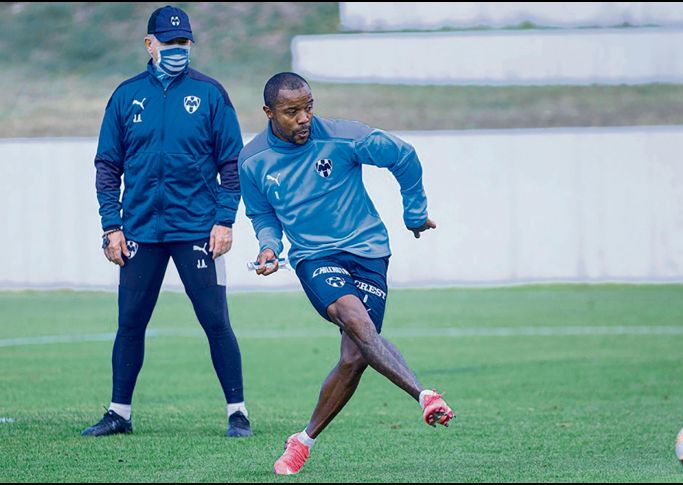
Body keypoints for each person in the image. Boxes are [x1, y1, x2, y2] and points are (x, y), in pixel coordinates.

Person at [239, 72, 455, 475]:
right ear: (269, 113)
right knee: (352, 318)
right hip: (314, 257)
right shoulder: (252, 161)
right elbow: (261, 213)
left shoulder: (343, 137)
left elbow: (402, 155)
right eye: (291, 112)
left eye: (308, 107)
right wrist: (270, 246)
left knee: (355, 357)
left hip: (369, 252)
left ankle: (302, 441)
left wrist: (414, 211)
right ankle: (424, 396)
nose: (304, 118)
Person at [83, 5, 252, 438]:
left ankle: (238, 412)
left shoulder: (211, 94)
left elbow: (231, 163)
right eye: (170, 42)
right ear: (149, 44)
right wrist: (111, 225)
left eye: (184, 43)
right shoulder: (125, 96)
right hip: (139, 230)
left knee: (217, 322)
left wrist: (224, 220)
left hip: (198, 229)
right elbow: (107, 165)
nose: (178, 50)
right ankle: (119, 413)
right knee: (130, 323)